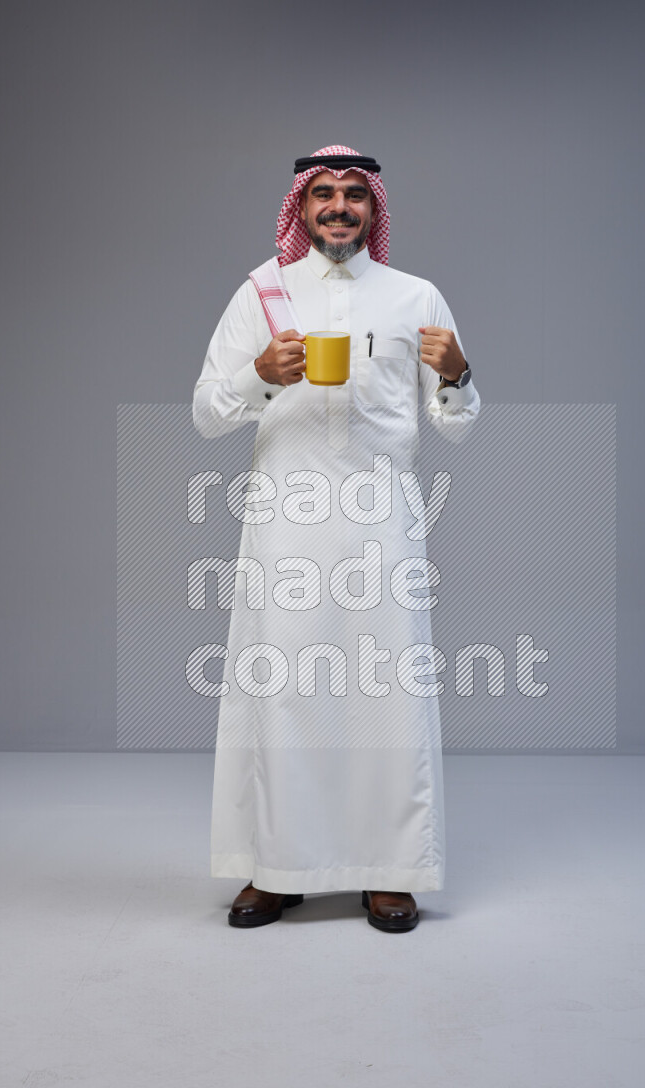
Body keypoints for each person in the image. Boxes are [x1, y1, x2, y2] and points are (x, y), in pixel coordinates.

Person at [192, 145, 480, 932]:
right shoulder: (263, 292)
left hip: (382, 521)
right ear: (302, 206)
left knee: (386, 696)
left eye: (355, 194)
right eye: (323, 194)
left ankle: (390, 871)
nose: (340, 207)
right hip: (285, 521)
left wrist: (457, 374)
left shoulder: (415, 296)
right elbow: (207, 412)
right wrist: (260, 374)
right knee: (284, 691)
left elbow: (454, 426)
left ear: (375, 208)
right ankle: (278, 868)